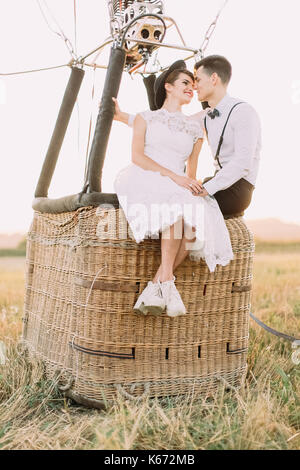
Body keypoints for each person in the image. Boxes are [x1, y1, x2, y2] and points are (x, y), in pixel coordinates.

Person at [113, 60, 234, 318]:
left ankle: (158, 285)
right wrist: (174, 178)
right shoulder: (146, 118)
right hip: (147, 175)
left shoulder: (195, 127)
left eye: (193, 84)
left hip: (177, 182)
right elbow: (137, 157)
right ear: (168, 86)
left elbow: (190, 171)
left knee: (193, 219)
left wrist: (191, 184)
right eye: (185, 83)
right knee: (177, 206)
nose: (191, 88)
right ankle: (165, 283)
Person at [114, 55, 262, 219]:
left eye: (197, 80)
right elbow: (167, 124)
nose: (195, 86)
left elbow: (243, 163)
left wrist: (207, 188)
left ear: (213, 78)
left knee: (180, 203)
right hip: (217, 181)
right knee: (170, 191)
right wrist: (121, 116)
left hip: (238, 189)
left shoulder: (243, 112)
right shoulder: (206, 116)